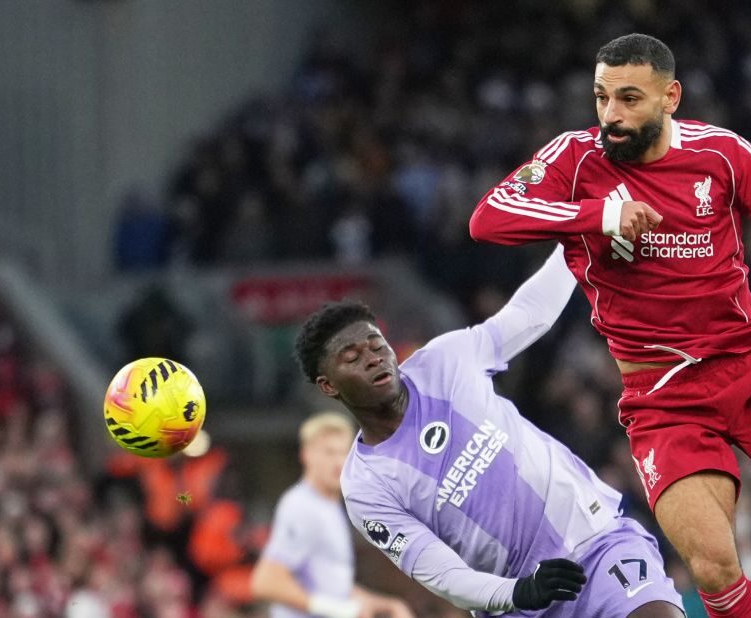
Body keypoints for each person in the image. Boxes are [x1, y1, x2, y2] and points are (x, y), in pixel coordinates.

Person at [469, 33, 751, 618]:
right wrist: (603, 215)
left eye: (630, 98)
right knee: (714, 568)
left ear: (671, 96)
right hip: (663, 398)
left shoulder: (720, 153)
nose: (611, 114)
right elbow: (488, 218)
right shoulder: (574, 160)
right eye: (602, 97)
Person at [293, 245, 685, 618]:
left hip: (597, 542)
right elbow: (440, 572)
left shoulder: (445, 361)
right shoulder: (365, 486)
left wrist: (578, 241)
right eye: (352, 357)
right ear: (329, 385)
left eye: (376, 344)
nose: (373, 358)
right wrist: (517, 592)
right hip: (518, 600)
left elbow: (530, 314)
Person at [251, 412, 415, 618]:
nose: (339, 462)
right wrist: (341, 610)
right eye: (329, 452)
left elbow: (331, 588)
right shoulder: (302, 506)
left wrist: (386, 605)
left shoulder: (329, 506)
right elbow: (267, 581)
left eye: (343, 453)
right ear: (306, 455)